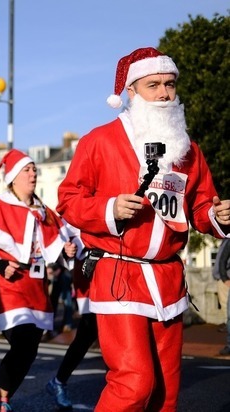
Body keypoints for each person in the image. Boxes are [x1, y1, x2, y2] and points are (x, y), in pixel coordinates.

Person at [56, 47, 230, 411]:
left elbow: (200, 207)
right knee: (134, 382)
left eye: (170, 84)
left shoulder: (189, 150)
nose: (166, 94)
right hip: (119, 273)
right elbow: (68, 200)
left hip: (167, 279)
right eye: (154, 85)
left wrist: (218, 218)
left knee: (166, 392)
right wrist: (109, 208)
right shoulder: (99, 141)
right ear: (131, 93)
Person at [0, 149, 83, 412]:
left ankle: (0, 394)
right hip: (7, 286)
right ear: (13, 178)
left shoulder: (46, 212)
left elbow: (60, 244)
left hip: (36, 286)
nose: (32, 174)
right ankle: (2, 400)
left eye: (34, 169)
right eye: (26, 170)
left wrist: (67, 251)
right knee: (22, 340)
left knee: (30, 348)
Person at [46, 259, 99, 410]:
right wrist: (66, 251)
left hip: (123, 282)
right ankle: (59, 381)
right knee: (84, 339)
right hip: (93, 283)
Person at [213, 239, 230, 355]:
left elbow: (222, 260)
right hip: (225, 279)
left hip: (225, 279)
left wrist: (224, 278)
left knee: (228, 313)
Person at [47, 262, 75, 333]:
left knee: (65, 300)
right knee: (56, 300)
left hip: (63, 273)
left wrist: (51, 267)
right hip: (60, 272)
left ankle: (66, 323)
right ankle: (65, 323)